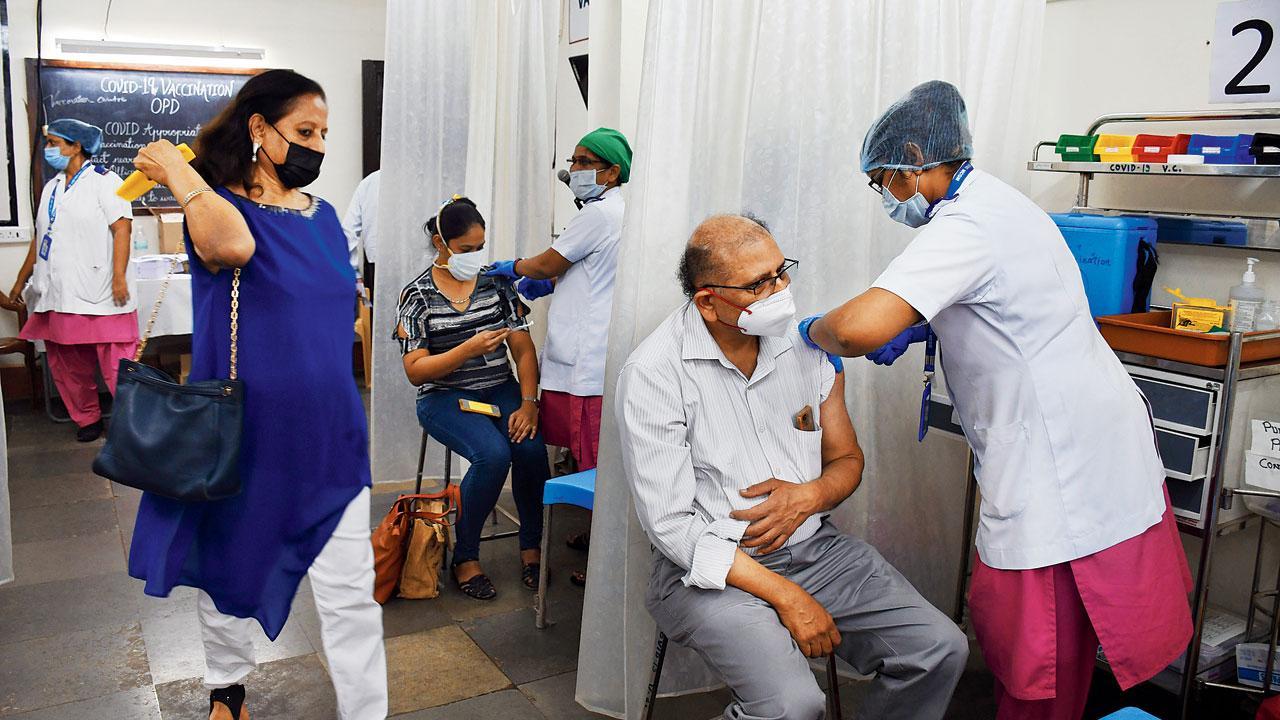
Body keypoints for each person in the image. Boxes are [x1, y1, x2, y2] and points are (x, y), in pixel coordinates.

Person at [799, 80, 1193, 720]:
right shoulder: (1000, 202)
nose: (887, 196)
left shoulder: (967, 225)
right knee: (1055, 625)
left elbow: (858, 327)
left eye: (885, 181)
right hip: (1086, 426)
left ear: (915, 161)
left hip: (1058, 450)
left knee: (1040, 634)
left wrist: (810, 331)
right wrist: (930, 322)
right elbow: (1002, 299)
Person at [617, 214, 968, 720]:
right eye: (759, 284)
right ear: (708, 301)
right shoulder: (654, 374)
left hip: (815, 549)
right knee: (792, 706)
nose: (780, 291)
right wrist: (786, 595)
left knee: (939, 649)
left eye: (782, 272)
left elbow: (846, 460)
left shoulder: (809, 348)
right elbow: (671, 527)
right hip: (711, 570)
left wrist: (810, 496)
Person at [125, 70, 387, 720]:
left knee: (352, 595)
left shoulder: (325, 218)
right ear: (260, 130)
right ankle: (227, 689)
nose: (318, 146)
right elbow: (235, 244)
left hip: (331, 439)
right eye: (304, 131)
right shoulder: (215, 207)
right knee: (228, 573)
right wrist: (175, 172)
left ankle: (368, 712)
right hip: (246, 439)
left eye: (324, 133)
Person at [488, 127, 631, 584]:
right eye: (575, 160)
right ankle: (599, 536)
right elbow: (578, 269)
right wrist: (548, 280)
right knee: (593, 460)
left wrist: (515, 269)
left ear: (612, 171)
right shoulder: (609, 213)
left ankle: (608, 564)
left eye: (586, 162)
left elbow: (550, 263)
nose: (575, 170)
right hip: (584, 355)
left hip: (588, 362)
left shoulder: (603, 213)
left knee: (596, 464)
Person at [396, 196, 549, 601]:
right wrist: (467, 348)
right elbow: (415, 372)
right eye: (466, 250)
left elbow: (523, 349)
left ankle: (533, 549)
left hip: (499, 388)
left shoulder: (495, 284)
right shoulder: (417, 295)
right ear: (440, 242)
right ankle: (465, 556)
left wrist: (529, 402)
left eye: (480, 248)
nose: (475, 257)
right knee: (493, 454)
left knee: (531, 449)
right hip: (444, 396)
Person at [7, 119, 136, 442]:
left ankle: (130, 424)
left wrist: (119, 277)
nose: (49, 150)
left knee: (118, 364)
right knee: (66, 363)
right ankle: (87, 419)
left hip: (102, 288)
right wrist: (21, 279)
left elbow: (122, 228)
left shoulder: (105, 181)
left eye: (54, 143)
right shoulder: (51, 187)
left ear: (76, 146)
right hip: (58, 290)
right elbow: (41, 238)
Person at [343, 168, 381, 288]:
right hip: (424, 268)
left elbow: (347, 233)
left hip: (377, 267)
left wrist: (355, 275)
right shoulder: (426, 180)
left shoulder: (370, 182)